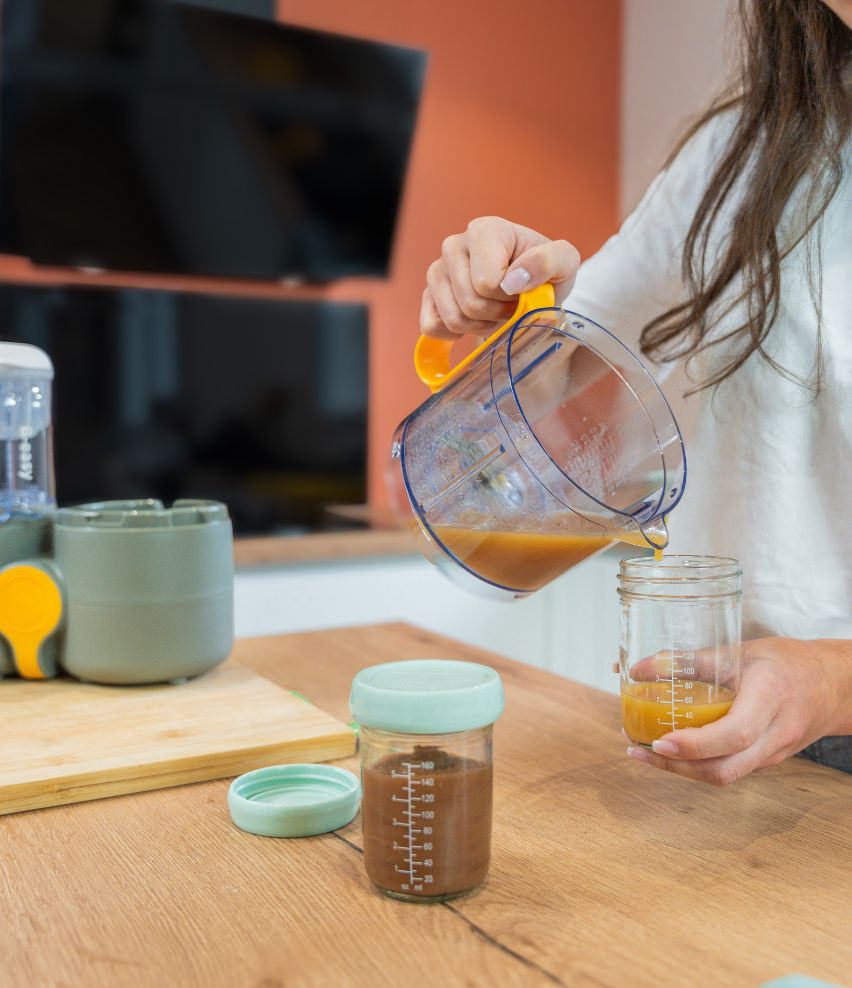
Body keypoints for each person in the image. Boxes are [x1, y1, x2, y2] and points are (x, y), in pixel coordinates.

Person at [419, 0, 852, 784]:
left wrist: (834, 680)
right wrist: (499, 293)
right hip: (724, 724)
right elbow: (564, 360)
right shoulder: (747, 150)